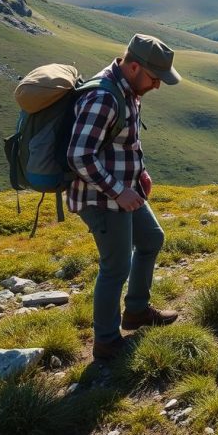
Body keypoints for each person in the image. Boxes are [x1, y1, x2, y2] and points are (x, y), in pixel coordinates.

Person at [68, 33, 182, 360]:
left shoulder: (129, 90)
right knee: (115, 267)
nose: (157, 86)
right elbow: (78, 155)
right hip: (101, 199)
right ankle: (105, 341)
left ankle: (135, 311)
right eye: (155, 78)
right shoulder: (104, 98)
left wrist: (139, 172)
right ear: (134, 66)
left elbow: (123, 142)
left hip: (124, 191)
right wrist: (118, 190)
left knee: (151, 239)